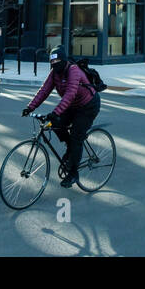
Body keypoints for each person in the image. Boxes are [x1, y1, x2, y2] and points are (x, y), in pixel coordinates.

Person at [22, 45, 100, 188]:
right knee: (55, 124)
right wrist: (30, 106)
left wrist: (55, 112)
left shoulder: (73, 70)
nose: (54, 65)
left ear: (64, 61)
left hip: (88, 106)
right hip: (72, 106)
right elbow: (44, 90)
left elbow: (70, 94)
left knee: (77, 137)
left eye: (57, 62)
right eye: (52, 63)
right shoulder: (54, 73)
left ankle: (73, 173)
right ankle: (70, 149)